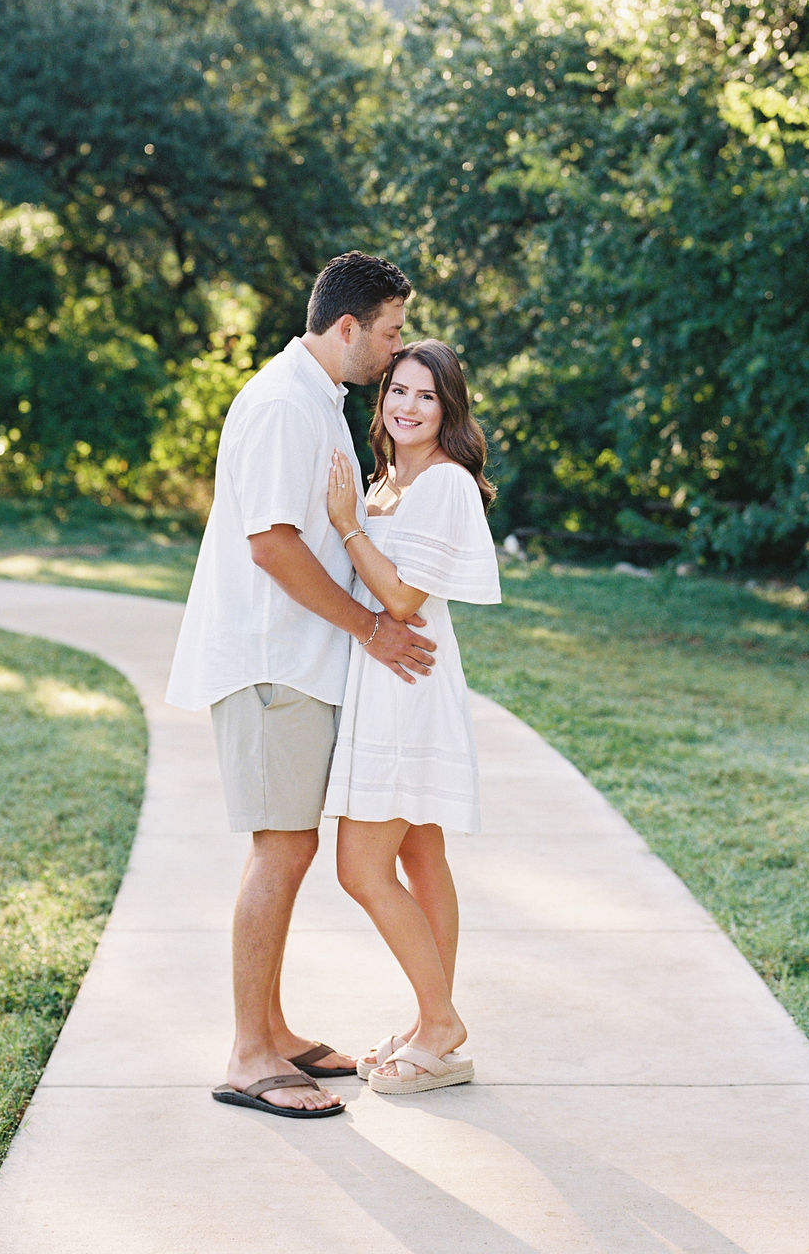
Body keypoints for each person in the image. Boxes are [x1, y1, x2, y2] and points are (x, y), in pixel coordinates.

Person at [165, 251, 437, 1119]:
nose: (397, 352)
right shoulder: (285, 405)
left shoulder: (316, 401)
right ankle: (249, 1054)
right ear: (348, 326)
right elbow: (272, 544)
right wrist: (371, 629)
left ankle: (273, 1030)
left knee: (293, 845)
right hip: (271, 663)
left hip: (296, 664)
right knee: (278, 849)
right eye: (391, 332)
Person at [324, 338, 501, 1094]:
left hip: (408, 686)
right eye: (398, 389)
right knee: (420, 856)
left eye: (426, 396)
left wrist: (346, 525)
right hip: (385, 680)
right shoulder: (391, 481)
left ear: (448, 407)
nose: (407, 405)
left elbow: (401, 600)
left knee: (360, 867)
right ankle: (437, 1033)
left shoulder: (445, 484)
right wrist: (359, 510)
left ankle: (440, 1021)